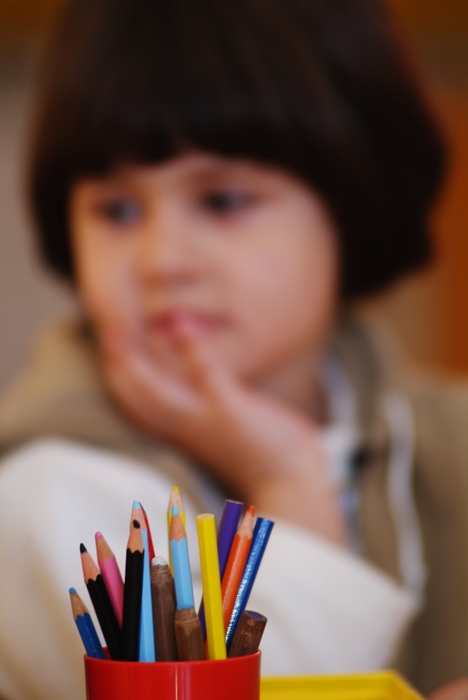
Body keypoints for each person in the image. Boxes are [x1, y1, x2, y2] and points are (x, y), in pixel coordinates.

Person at [0, 1, 467, 699]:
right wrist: (288, 485)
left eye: (222, 200)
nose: (161, 260)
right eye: (117, 210)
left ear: (353, 198)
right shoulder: (54, 490)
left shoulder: (451, 440)